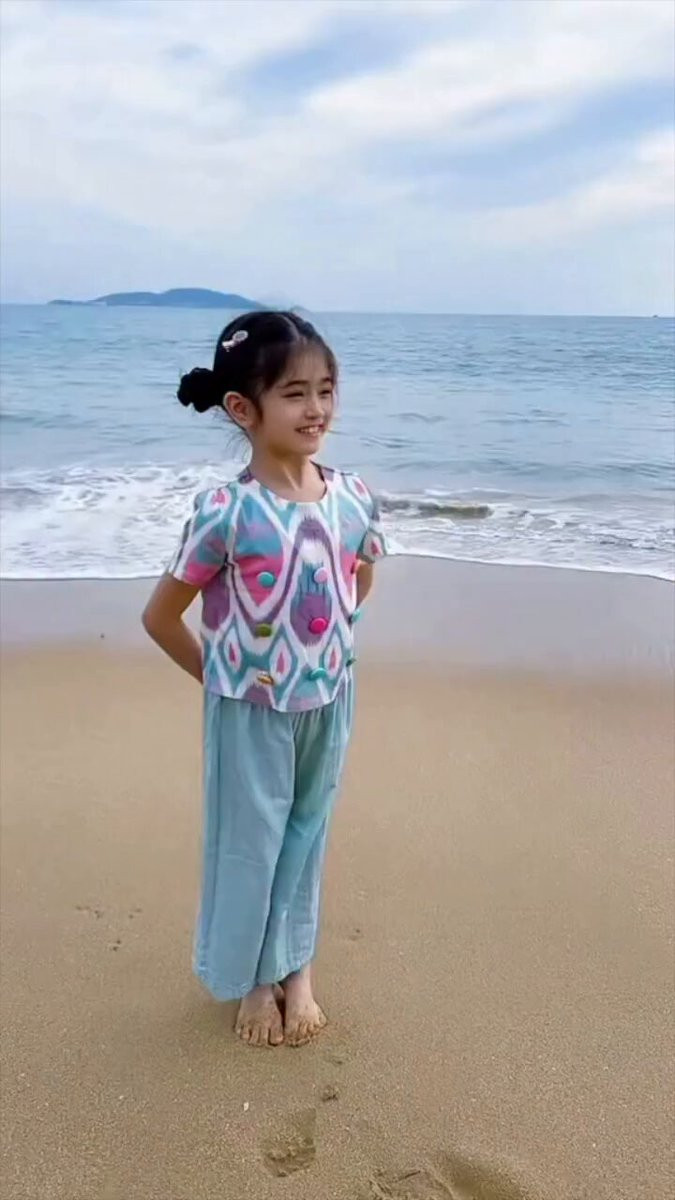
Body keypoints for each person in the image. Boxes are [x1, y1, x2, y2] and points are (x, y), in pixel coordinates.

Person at [142, 311, 387, 1047]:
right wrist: (224, 681)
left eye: (326, 390)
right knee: (251, 844)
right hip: (248, 710)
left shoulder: (353, 496)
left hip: (328, 700)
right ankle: (253, 980)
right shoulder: (226, 512)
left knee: (307, 836)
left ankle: (296, 970)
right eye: (295, 393)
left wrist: (322, 647)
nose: (316, 409)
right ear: (242, 409)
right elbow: (161, 617)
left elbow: (357, 579)